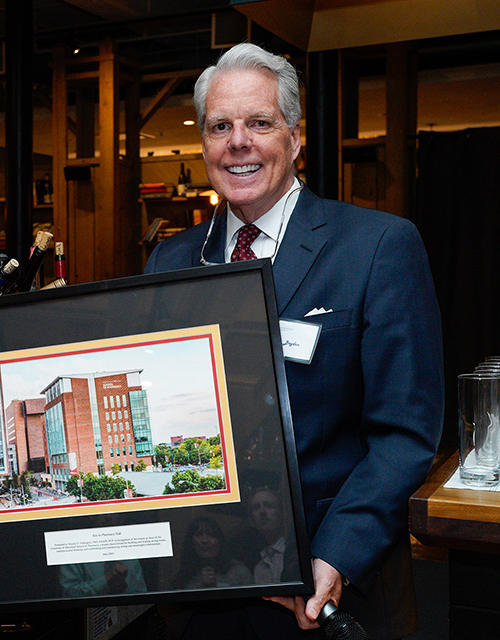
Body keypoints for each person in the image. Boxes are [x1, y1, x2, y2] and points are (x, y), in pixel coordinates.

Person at [146, 43, 443, 639]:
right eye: (220, 126)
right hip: (199, 586)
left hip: (325, 586)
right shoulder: (170, 261)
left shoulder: (378, 247)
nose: (239, 142)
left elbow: (405, 433)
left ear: (296, 137)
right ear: (203, 142)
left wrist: (336, 553)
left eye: (259, 123)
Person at [176, 517, 252, 590]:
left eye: (211, 535)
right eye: (199, 535)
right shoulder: (184, 577)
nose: (204, 541)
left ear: (219, 541)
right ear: (191, 541)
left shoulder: (240, 573)